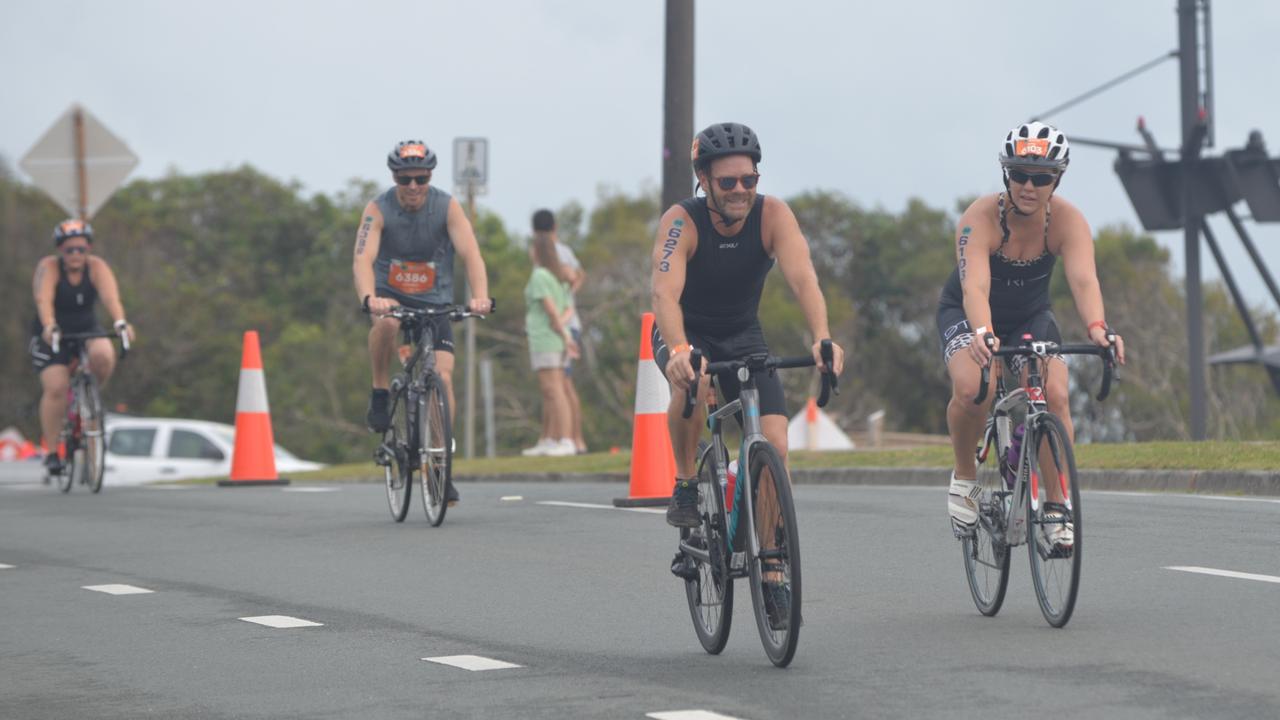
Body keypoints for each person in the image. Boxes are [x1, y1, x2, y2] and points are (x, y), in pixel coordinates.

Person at [938, 121, 1126, 550]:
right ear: (1006, 173)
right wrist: (983, 334)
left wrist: (1098, 328)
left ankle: (1057, 505)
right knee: (973, 390)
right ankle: (966, 476)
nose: (1028, 185)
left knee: (1054, 395)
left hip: (1030, 316)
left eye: (1040, 178)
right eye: (1019, 173)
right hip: (970, 313)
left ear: (1056, 178)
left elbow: (1083, 281)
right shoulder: (979, 218)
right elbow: (975, 288)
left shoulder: (1068, 221)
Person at [650, 121, 846, 531]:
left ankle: (774, 563)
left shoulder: (772, 215)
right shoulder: (681, 221)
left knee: (775, 443)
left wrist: (822, 337)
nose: (740, 189)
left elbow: (803, 279)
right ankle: (686, 481)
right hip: (686, 331)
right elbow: (664, 295)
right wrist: (679, 349)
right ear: (704, 180)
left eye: (749, 179)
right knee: (694, 383)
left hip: (742, 333)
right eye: (727, 181)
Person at [353, 140, 491, 503]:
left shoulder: (446, 206)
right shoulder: (377, 209)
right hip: (391, 299)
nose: (413, 186)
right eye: (405, 178)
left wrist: (480, 297)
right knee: (384, 324)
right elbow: (363, 258)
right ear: (395, 178)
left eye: (421, 178)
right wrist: (370, 299)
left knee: (442, 377)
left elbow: (471, 254)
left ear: (429, 177)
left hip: (436, 302)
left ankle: (440, 465)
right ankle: (381, 391)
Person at [29, 219, 133, 477]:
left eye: (81, 249)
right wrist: (49, 325)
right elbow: (44, 299)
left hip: (87, 328)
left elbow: (111, 297)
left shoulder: (96, 267)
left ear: (88, 249)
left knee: (104, 354)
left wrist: (120, 322)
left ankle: (90, 400)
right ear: (60, 251)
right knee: (56, 387)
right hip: (54, 332)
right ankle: (53, 451)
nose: (76, 255)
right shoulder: (49, 267)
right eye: (69, 250)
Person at [529, 209, 588, 454]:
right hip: (563, 323)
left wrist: (566, 297)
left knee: (562, 385)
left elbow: (575, 276)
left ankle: (573, 438)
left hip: (563, 325)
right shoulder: (560, 251)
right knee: (553, 387)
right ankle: (551, 437)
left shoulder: (556, 252)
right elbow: (579, 276)